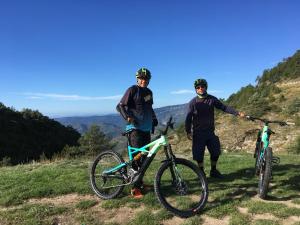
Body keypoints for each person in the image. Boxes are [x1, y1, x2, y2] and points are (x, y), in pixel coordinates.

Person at [185, 78, 245, 178]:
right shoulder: (193, 102)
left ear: (206, 87)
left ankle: (213, 170)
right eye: (198, 87)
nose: (200, 89)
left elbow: (224, 107)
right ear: (196, 89)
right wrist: (188, 131)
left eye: (202, 86)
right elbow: (188, 117)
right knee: (199, 155)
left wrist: (237, 113)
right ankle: (201, 172)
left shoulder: (212, 99)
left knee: (215, 151)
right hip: (198, 133)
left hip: (210, 132)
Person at [116, 67, 158, 198]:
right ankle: (134, 189)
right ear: (137, 79)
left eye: (146, 78)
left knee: (144, 159)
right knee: (136, 160)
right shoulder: (133, 90)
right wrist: (128, 117)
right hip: (135, 130)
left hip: (146, 130)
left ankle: (139, 182)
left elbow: (150, 108)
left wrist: (154, 118)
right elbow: (120, 106)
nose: (144, 80)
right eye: (142, 78)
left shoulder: (149, 92)